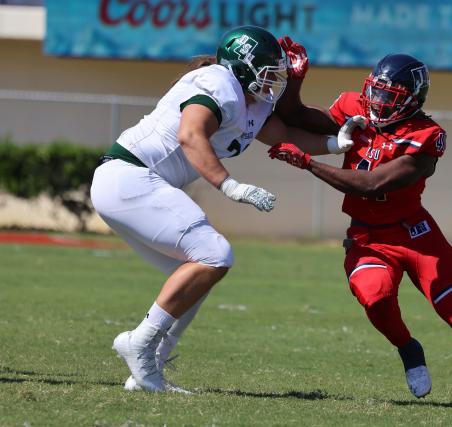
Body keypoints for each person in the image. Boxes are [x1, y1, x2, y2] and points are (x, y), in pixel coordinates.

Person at [270, 47, 452, 411]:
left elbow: (370, 184)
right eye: (376, 91)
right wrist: (295, 80)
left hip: (414, 234)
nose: (377, 101)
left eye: (389, 96)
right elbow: (295, 115)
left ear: (412, 100)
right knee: (375, 297)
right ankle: (408, 348)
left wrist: (307, 163)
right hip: (368, 235)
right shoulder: (356, 107)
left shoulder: (427, 135)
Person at [90, 26, 356, 393]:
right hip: (129, 177)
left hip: (135, 183)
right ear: (242, 67)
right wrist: (230, 185)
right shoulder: (217, 82)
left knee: (196, 279)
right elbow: (190, 134)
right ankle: (139, 342)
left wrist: (335, 143)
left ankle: (150, 363)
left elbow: (284, 135)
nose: (274, 83)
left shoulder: (252, 100)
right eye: (268, 73)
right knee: (216, 254)